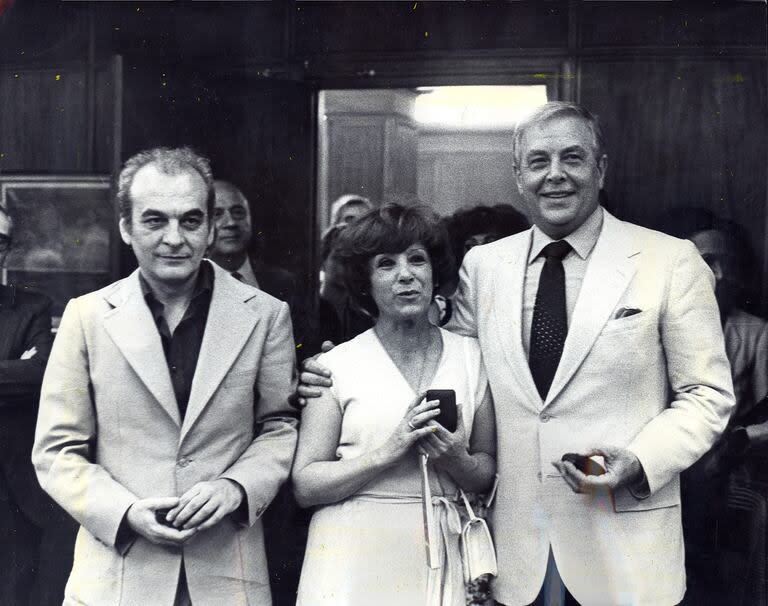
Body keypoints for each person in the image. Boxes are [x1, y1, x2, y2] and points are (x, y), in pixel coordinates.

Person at [299, 102, 735, 606]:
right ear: (518, 175)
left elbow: (707, 394)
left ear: (602, 168)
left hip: (623, 543)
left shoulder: (668, 260)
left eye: (572, 158)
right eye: (538, 161)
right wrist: (324, 374)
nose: (555, 176)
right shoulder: (484, 267)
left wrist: (640, 460)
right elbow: (433, 354)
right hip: (516, 550)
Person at [33, 147, 298, 606]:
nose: (174, 238)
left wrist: (235, 488)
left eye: (190, 221)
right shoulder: (88, 317)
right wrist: (125, 512)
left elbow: (280, 427)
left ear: (211, 229)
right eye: (155, 221)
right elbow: (56, 451)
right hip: (118, 575)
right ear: (125, 227)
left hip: (227, 576)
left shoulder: (267, 315)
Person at [292, 203, 496, 606]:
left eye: (417, 259)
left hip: (445, 549)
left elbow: (486, 472)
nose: (406, 275)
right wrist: (388, 451)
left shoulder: (473, 358)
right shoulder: (335, 366)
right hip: (352, 558)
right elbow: (305, 485)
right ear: (365, 282)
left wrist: (457, 458)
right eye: (386, 264)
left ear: (434, 272)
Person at [0, 205, 72, 606]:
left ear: (7, 252)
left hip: (12, 496)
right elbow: (20, 376)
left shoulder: (31, 306)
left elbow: (41, 373)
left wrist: (25, 372)